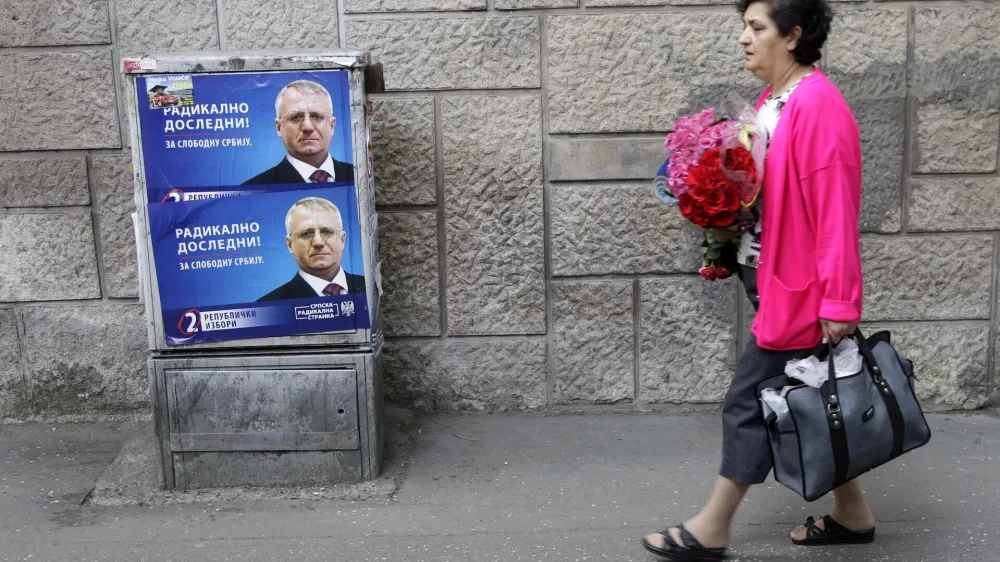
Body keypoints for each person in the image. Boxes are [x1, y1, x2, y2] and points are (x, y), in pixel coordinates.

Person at [643, 0, 871, 559]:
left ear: (792, 35)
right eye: (743, 26)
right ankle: (853, 512)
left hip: (800, 291)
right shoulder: (775, 99)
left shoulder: (818, 106)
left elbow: (835, 210)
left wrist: (839, 301)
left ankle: (712, 527)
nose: (744, 38)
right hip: (771, 275)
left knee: (749, 402)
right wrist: (724, 212)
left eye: (757, 27)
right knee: (816, 394)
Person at [243, 80, 355, 185]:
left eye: (317, 116)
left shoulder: (358, 175)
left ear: (332, 125)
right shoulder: (253, 189)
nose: (307, 127)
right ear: (279, 128)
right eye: (296, 117)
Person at [257, 197, 365, 302]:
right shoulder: (268, 305)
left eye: (327, 232)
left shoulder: (369, 288)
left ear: (342, 240)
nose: (318, 242)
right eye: (306, 234)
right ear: (290, 245)